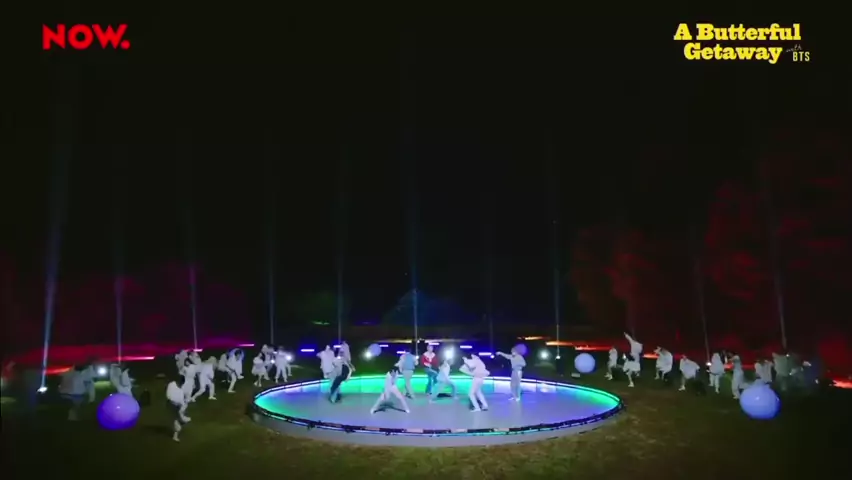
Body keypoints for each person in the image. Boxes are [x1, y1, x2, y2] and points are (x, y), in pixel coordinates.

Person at [166, 375, 191, 442]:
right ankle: (182, 419)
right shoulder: (172, 385)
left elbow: (182, 400)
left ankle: (182, 420)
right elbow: (169, 396)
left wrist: (183, 402)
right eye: (180, 383)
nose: (181, 384)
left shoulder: (181, 389)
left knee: (177, 420)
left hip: (177, 407)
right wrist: (179, 403)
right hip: (171, 406)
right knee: (177, 423)